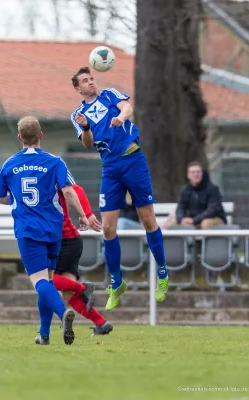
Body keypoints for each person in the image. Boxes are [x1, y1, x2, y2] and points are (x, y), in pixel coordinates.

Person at [71, 66, 169, 310]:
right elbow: (87, 143)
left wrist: (121, 117)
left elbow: (128, 107)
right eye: (85, 80)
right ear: (77, 88)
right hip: (111, 167)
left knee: (148, 220)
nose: (91, 82)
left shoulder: (109, 94)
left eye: (92, 78)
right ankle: (117, 283)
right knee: (107, 227)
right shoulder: (78, 114)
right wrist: (85, 128)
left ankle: (163, 275)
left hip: (133, 159)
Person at [0, 157, 114, 336]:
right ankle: (100, 323)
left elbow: (76, 190)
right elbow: (13, 186)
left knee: (44, 282)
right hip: (67, 238)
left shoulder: (55, 169)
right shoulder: (47, 171)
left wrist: (88, 214)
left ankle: (81, 290)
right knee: (63, 292)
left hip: (63, 239)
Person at [0, 116, 90, 346]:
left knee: (39, 282)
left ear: (20, 138)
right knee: (47, 280)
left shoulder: (9, 164)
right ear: (41, 135)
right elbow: (68, 191)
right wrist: (83, 215)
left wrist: (17, 200)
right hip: (53, 230)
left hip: (28, 230)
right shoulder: (55, 162)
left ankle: (62, 312)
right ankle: (43, 334)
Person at [176, 162, 227, 229]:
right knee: (174, 223)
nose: (196, 174)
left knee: (206, 223)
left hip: (214, 219)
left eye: (198, 172)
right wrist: (181, 219)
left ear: (202, 174)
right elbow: (180, 207)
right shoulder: (185, 190)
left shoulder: (212, 189)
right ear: (188, 175)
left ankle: (207, 240)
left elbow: (212, 211)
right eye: (193, 172)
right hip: (194, 220)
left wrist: (194, 220)